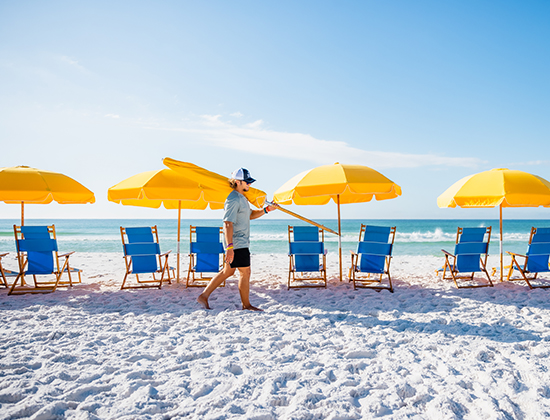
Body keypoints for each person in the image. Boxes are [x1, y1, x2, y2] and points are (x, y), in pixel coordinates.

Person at [197, 167, 276, 311]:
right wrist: (230, 247)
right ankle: (246, 305)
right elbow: (227, 223)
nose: (249, 185)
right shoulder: (233, 199)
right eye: (247, 182)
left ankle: (204, 295)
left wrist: (266, 210)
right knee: (245, 272)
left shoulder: (242, 198)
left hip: (240, 242)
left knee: (228, 271)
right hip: (237, 242)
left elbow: (250, 215)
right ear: (238, 182)